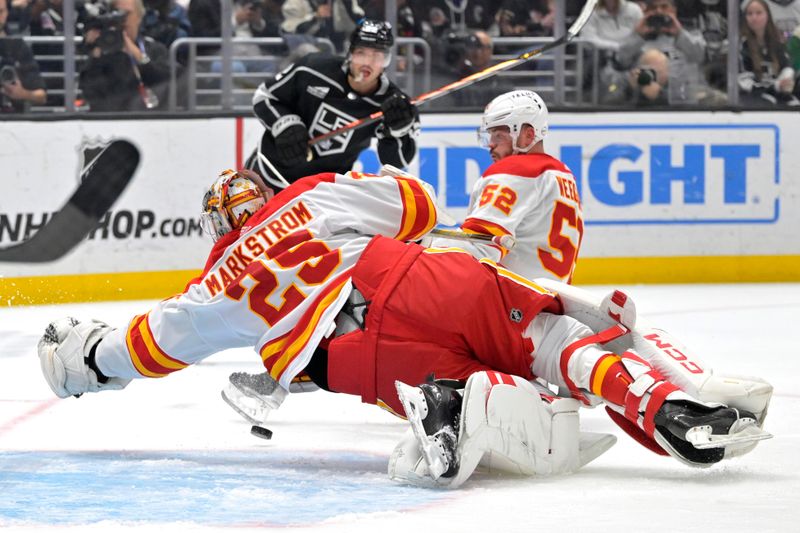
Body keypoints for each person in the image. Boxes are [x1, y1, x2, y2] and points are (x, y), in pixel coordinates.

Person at [37, 165, 771, 489]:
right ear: (260, 196)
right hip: (416, 277)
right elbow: (417, 203)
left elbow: (145, 348)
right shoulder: (312, 195)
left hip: (363, 358)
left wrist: (79, 360)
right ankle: (660, 403)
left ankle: (448, 402)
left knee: (424, 378)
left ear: (219, 227)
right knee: (554, 342)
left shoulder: (216, 285)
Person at [246, 19, 420, 190]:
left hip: (322, 195)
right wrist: (284, 125)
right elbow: (264, 95)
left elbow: (396, 163)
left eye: (377, 55)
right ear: (350, 53)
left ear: (386, 60)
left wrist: (397, 133)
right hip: (267, 176)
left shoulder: (395, 106)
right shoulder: (312, 68)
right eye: (361, 53)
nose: (368, 62)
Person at [431, 90, 583, 284]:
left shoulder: (516, 170)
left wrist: (421, 245)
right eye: (490, 136)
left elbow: (479, 248)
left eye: (499, 136)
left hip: (513, 303)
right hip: (550, 300)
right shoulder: (564, 174)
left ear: (528, 135)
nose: (491, 145)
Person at [78, 0, 170, 112]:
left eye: (127, 13)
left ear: (139, 17)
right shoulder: (101, 52)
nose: (123, 19)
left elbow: (167, 83)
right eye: (118, 12)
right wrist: (96, 56)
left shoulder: (154, 49)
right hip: (108, 120)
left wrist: (139, 56)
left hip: (147, 118)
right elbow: (89, 92)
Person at [615, 0, 708, 104]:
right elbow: (621, 60)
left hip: (683, 100)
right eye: (653, 8)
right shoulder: (637, 36)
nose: (659, 11)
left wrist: (679, 33)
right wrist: (638, 36)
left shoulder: (690, 33)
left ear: (674, 9)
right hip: (644, 101)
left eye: (664, 7)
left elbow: (700, 55)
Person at [739, 0, 799, 106]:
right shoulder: (740, 46)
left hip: (777, 93)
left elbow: (787, 66)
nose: (754, 17)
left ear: (767, 15)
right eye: (750, 14)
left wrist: (786, 79)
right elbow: (745, 84)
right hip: (752, 98)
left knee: (794, 104)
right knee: (768, 102)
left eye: (759, 13)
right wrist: (776, 86)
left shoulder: (776, 43)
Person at [0, 0, 47, 113]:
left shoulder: (18, 47)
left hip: (14, 119)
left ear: (7, 13)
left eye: (0, 11)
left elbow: (42, 96)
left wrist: (23, 94)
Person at [281, 0, 363, 52]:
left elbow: (357, 23)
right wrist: (316, 16)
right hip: (303, 52)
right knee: (307, 49)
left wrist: (346, 5)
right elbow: (292, 30)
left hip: (338, 50)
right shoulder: (294, 3)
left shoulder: (340, 2)